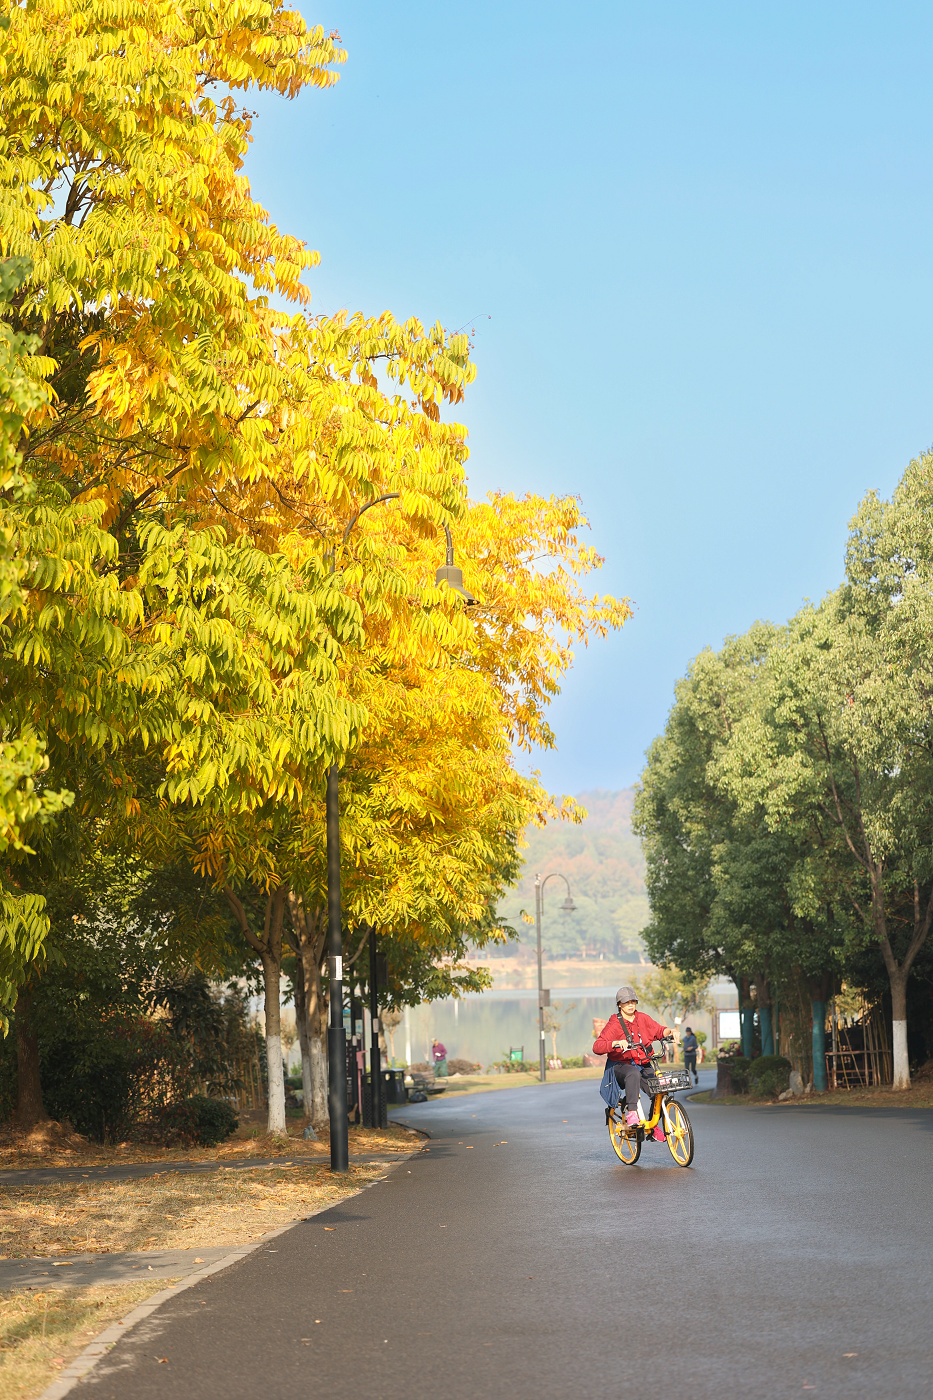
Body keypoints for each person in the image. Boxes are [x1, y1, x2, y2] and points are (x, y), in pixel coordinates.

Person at [593, 986, 674, 1142]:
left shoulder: (642, 1018)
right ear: (619, 1004)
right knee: (633, 1073)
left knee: (659, 1089)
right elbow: (597, 1047)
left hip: (642, 1062)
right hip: (620, 1065)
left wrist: (670, 1032)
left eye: (633, 1001)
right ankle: (632, 1113)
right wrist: (615, 1043)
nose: (630, 1005)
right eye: (626, 1002)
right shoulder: (614, 1023)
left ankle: (653, 1126)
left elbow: (659, 1030)